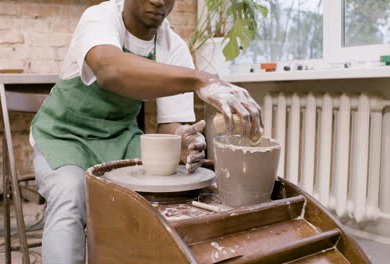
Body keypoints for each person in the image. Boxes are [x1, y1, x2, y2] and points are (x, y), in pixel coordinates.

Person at [31, 0, 263, 263]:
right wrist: (203, 79)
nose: (159, 1)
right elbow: (109, 69)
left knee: (169, 189)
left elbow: (171, 127)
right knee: (70, 192)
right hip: (64, 136)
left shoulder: (172, 46)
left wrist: (185, 141)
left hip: (120, 139)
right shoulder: (100, 18)